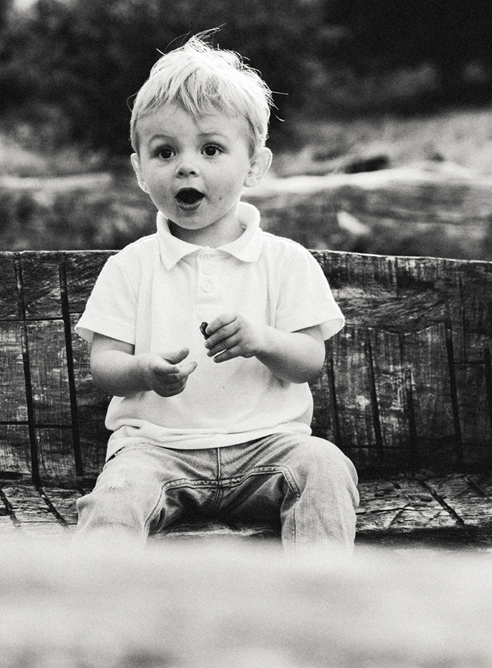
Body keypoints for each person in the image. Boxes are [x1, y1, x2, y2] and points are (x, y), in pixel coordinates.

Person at [72, 34, 359, 554]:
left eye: (210, 149)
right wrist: (145, 372)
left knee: (325, 467)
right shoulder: (130, 267)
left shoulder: (285, 261)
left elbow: (309, 361)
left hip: (270, 448)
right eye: (165, 151)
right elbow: (104, 365)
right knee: (114, 497)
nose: (187, 165)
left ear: (254, 164)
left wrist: (261, 339)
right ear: (139, 169)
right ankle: (93, 619)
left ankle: (319, 609)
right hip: (157, 451)